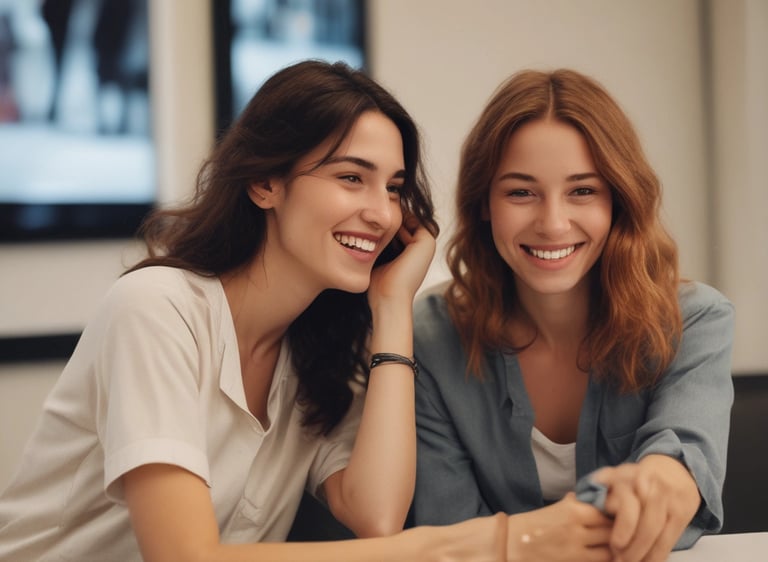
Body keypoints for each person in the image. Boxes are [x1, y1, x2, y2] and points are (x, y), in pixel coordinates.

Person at [0, 60, 612, 562]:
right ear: (265, 183)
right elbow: (185, 556)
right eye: (351, 178)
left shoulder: (316, 352)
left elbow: (376, 514)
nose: (383, 213)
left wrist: (393, 307)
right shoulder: (157, 310)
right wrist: (489, 543)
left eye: (394, 188)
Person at [411, 68, 734, 562]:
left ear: (618, 200)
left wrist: (658, 486)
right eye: (521, 192)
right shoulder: (429, 335)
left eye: (582, 190)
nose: (553, 224)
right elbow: (446, 526)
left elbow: (683, 469)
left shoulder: (694, 321)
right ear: (483, 204)